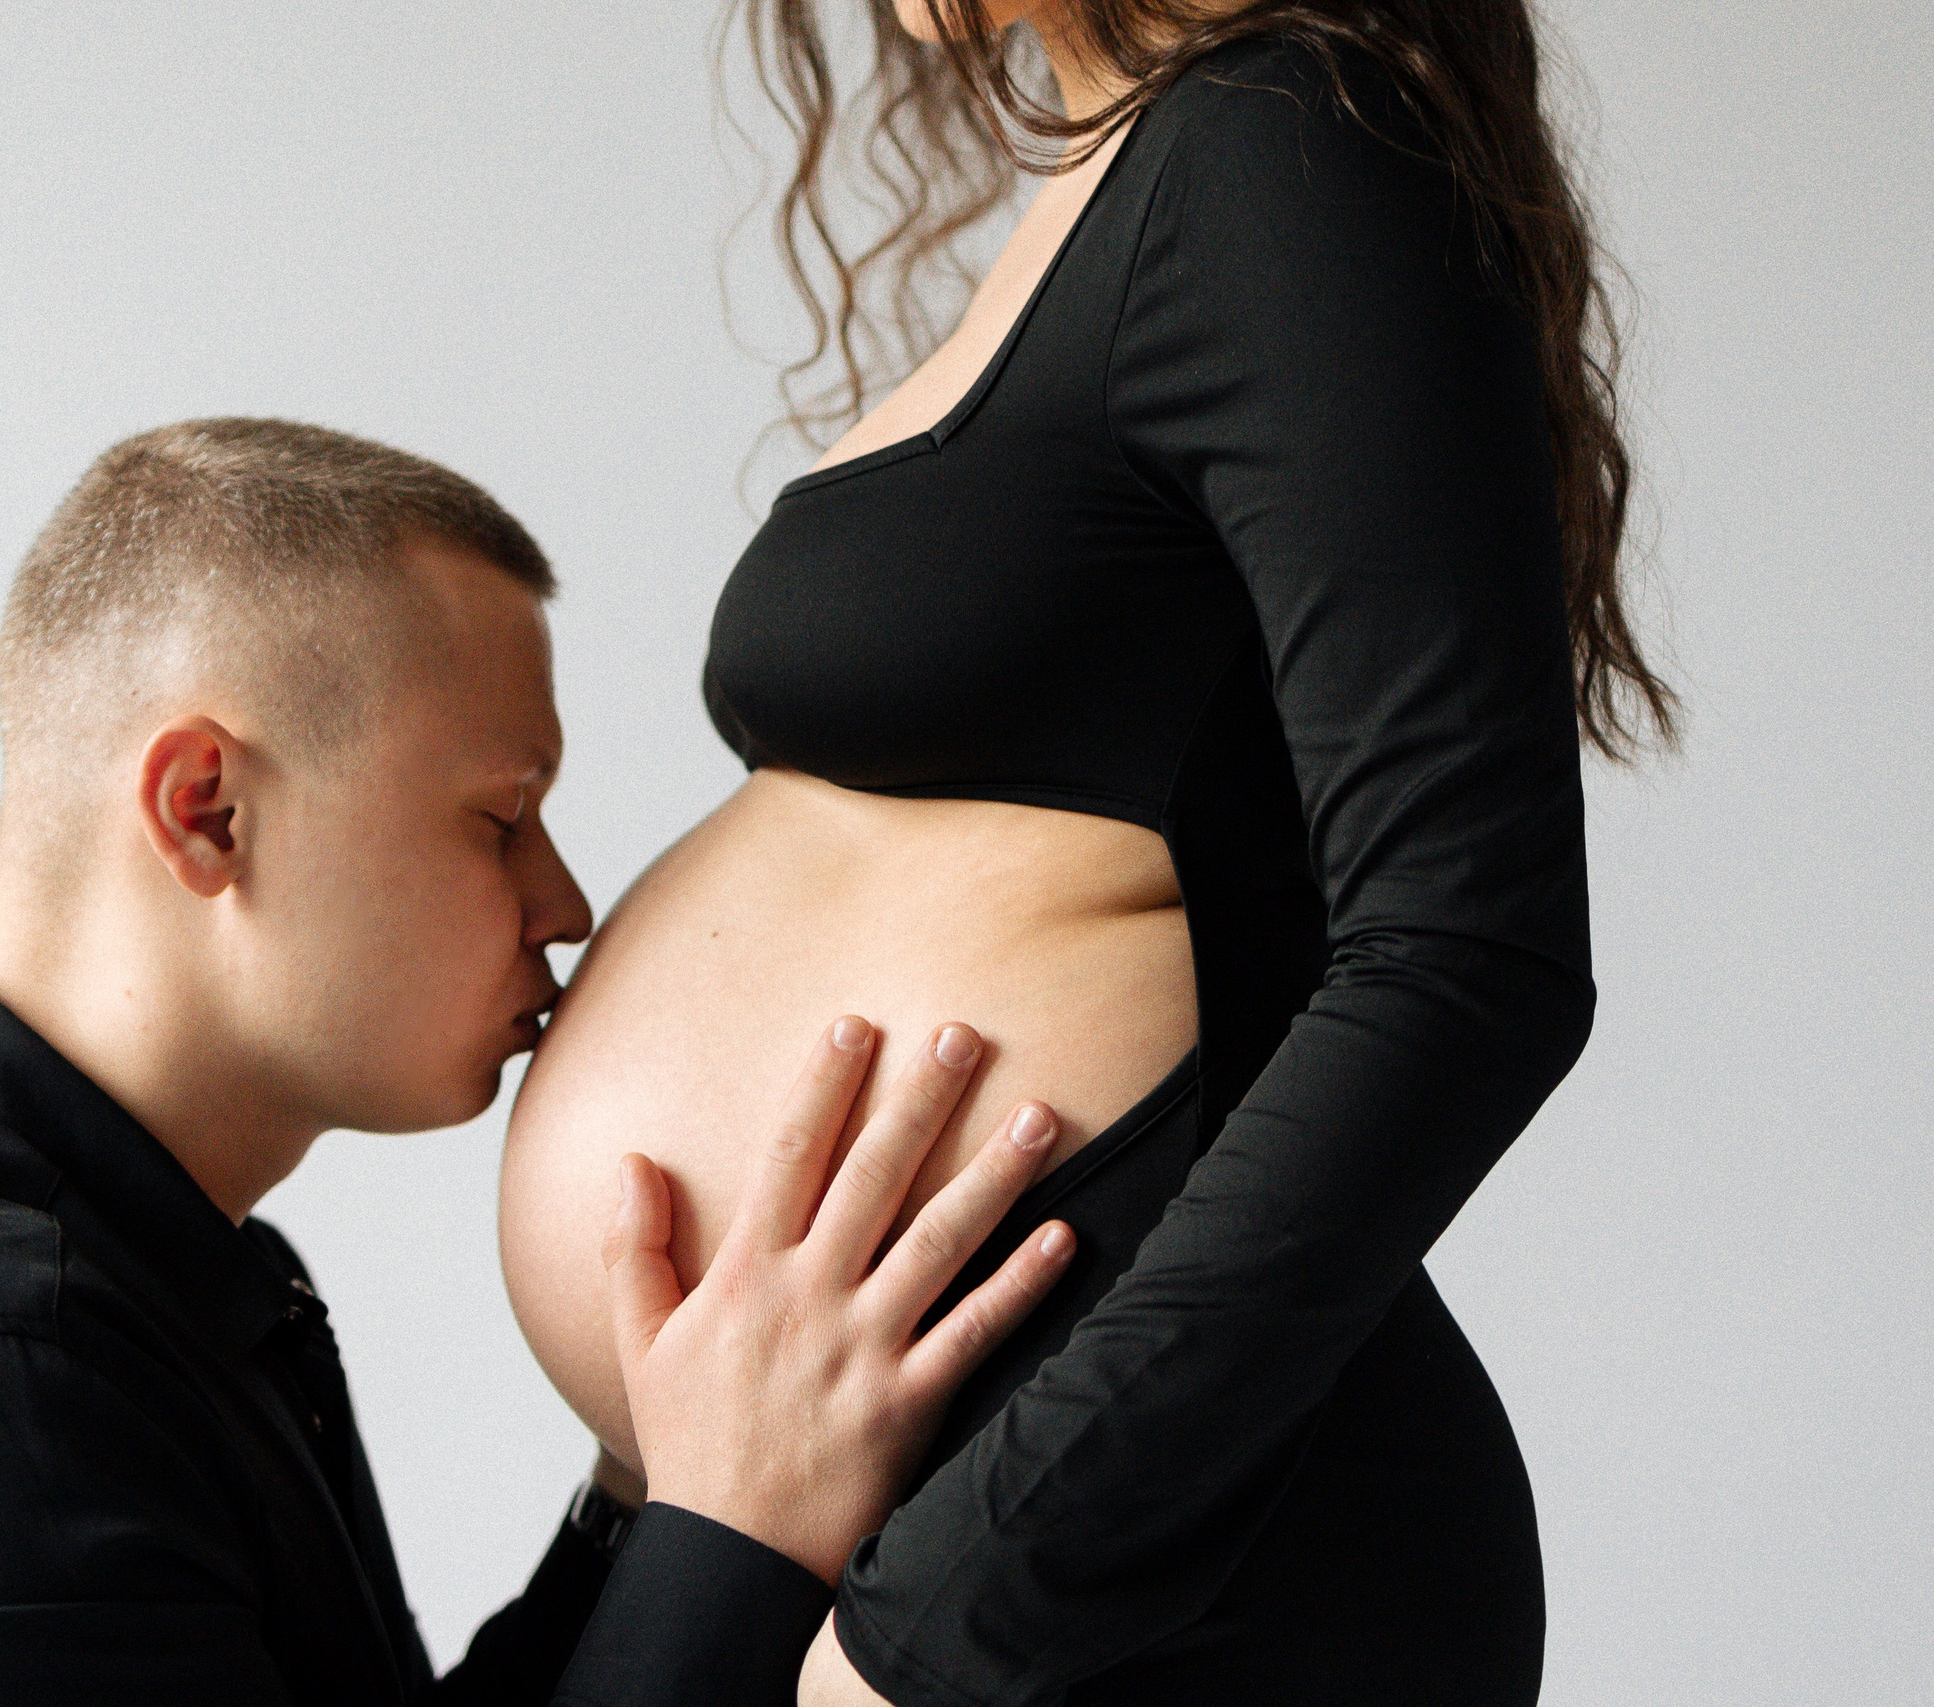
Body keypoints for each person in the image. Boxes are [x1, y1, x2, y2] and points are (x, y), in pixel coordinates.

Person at [500, 3, 1678, 1704]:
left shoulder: (1283, 139)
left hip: (1140, 1581)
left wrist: (955, 1609)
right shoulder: (1133, 177)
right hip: (891, 1549)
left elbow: (1464, 955)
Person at [0, 418, 1088, 1706]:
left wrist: (661, 1481)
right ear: (208, 808)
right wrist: (736, 1533)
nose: (563, 905)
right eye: (498, 819)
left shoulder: (136, 1284)